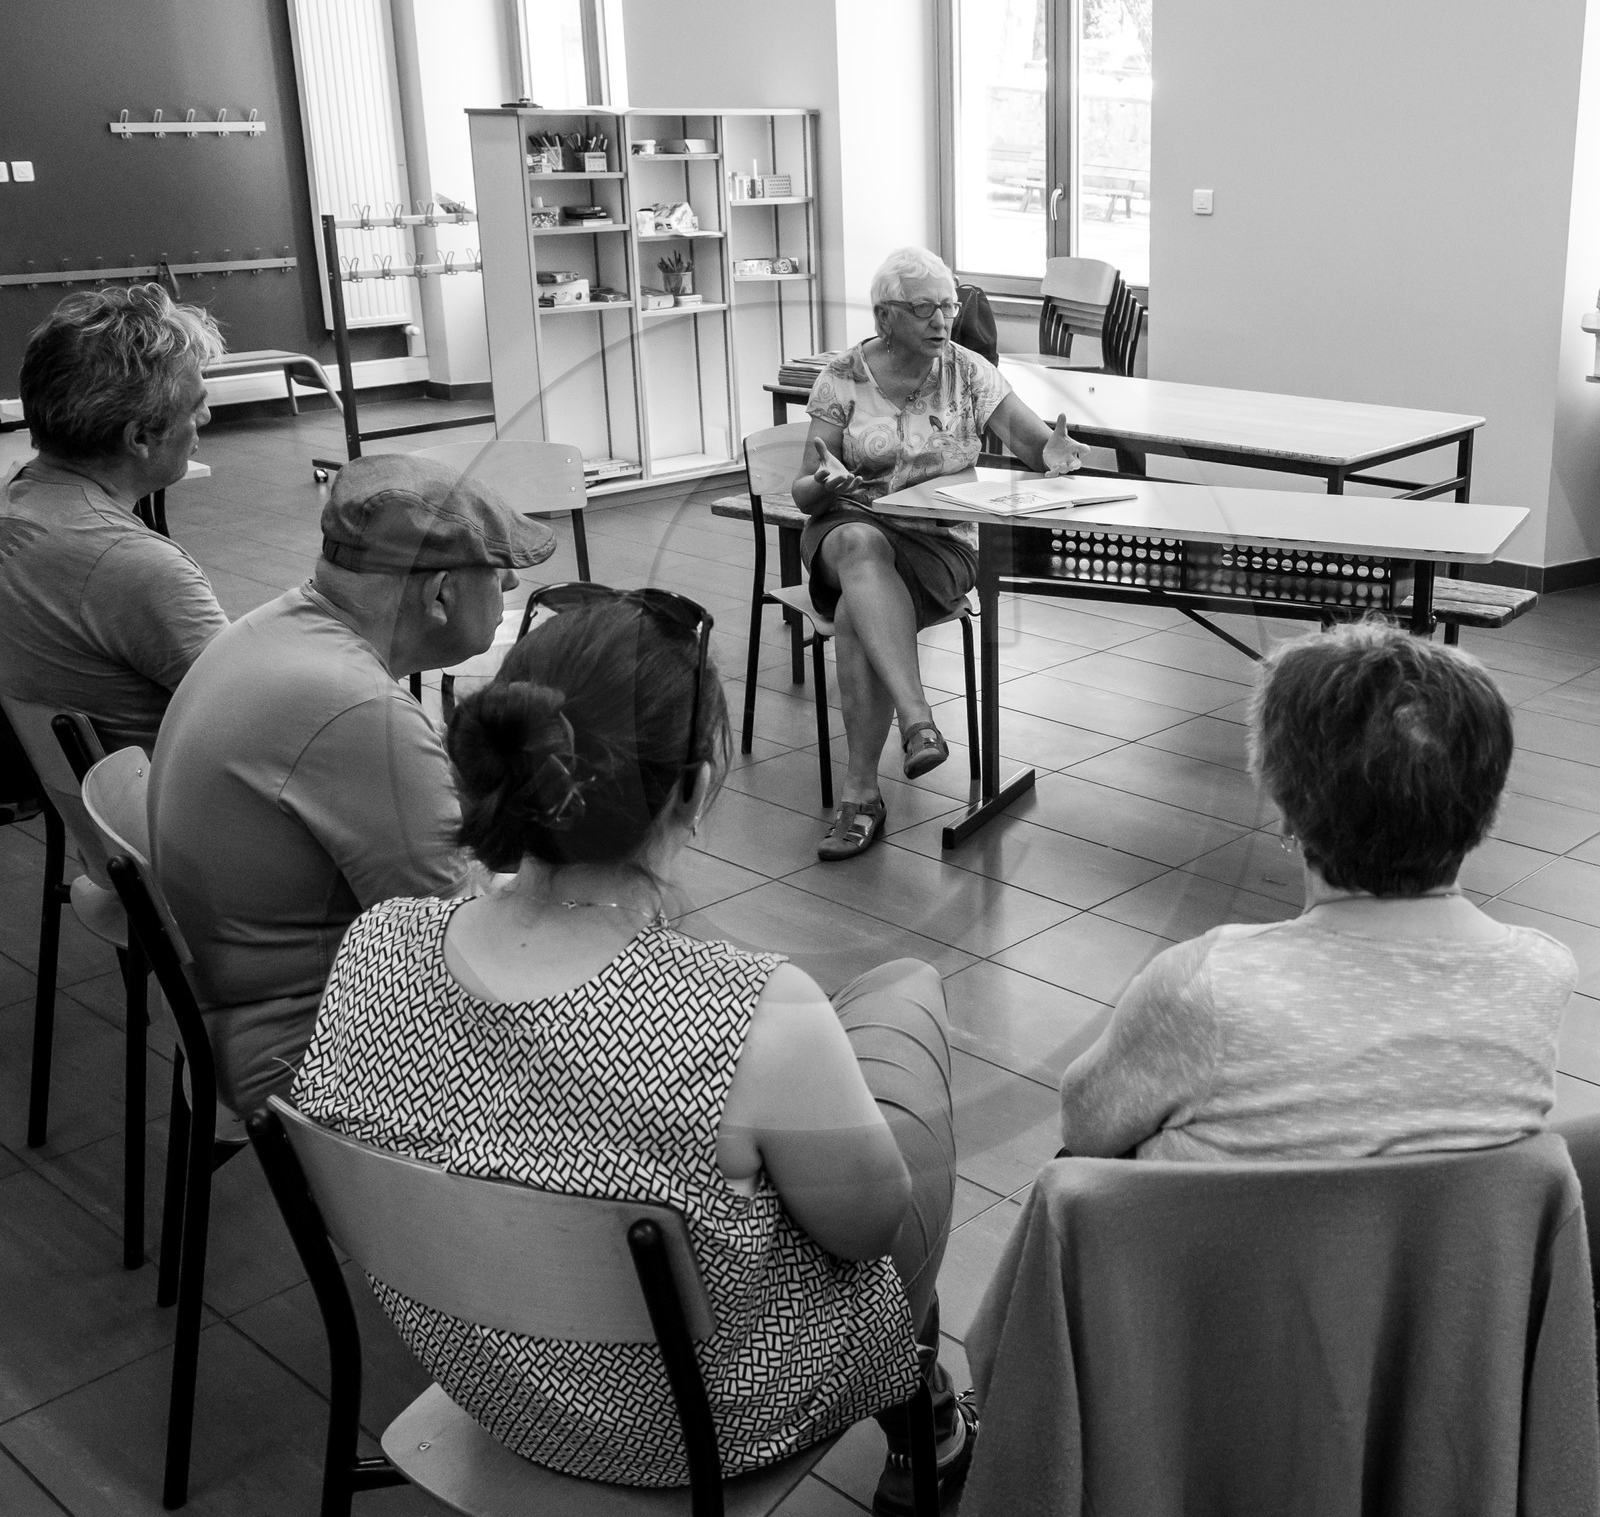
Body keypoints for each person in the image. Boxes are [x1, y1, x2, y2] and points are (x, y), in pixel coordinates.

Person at [291, 583, 975, 1517]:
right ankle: (923, 1410)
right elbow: (863, 1237)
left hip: (490, 1389)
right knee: (903, 996)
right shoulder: (752, 1012)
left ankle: (920, 1405)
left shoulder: (378, 944)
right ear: (691, 790)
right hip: (712, 1423)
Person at [1058, 622, 1576, 1160]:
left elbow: (1085, 1131)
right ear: (1489, 807)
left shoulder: (1200, 987)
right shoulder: (1542, 973)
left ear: (1285, 812)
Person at [149, 453, 555, 1115]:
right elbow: (461, 950)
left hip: (232, 1008)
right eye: (500, 573)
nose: (509, 588)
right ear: (441, 593)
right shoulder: (357, 710)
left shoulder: (275, 629)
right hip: (304, 1046)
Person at [795, 246, 1092, 860]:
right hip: (849, 524)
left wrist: (1056, 452)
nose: (941, 320)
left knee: (857, 615)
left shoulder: (969, 372)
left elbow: (1035, 444)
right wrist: (826, 481)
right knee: (856, 542)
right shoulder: (842, 376)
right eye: (924, 307)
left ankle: (861, 797)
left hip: (941, 538)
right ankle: (917, 718)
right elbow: (804, 491)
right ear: (886, 316)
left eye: (948, 306)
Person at [0, 283, 228, 751]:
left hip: (92, 806)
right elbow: (270, 714)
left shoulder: (13, 499)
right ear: (141, 437)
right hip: (175, 811)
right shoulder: (134, 566)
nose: (204, 416)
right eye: (194, 404)